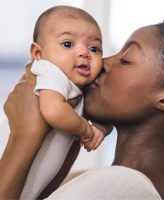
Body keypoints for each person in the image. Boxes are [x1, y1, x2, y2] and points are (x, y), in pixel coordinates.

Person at [1, 9, 164, 199]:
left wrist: (25, 135)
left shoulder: (122, 186)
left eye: (125, 59)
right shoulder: (111, 181)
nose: (102, 62)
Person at [0, 5, 112, 199]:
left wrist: (101, 128)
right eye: (68, 44)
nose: (84, 53)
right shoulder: (51, 72)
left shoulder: (81, 87)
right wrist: (86, 129)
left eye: (94, 48)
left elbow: (108, 117)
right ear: (38, 54)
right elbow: (53, 111)